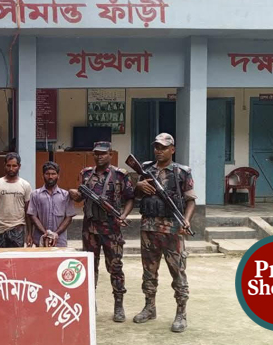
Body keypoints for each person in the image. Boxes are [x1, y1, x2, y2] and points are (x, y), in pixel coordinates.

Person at [132, 133, 195, 333]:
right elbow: (134, 195)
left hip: (172, 228)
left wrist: (186, 220)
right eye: (157, 147)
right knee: (149, 271)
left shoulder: (182, 172)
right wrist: (138, 185)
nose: (159, 151)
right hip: (149, 227)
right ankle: (149, 308)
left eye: (164, 148)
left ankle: (181, 313)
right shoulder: (146, 169)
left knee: (177, 271)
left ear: (172, 150)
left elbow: (190, 200)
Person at [69, 141, 134, 323]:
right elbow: (81, 197)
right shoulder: (86, 174)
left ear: (110, 154)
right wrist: (75, 194)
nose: (99, 157)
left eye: (103, 153)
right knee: (90, 267)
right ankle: (90, 302)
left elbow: (130, 198)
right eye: (96, 153)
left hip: (112, 228)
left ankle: (118, 305)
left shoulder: (120, 175)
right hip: (90, 229)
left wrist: (123, 215)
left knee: (115, 267)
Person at [0, 152, 32, 248]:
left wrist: (29, 233)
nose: (11, 169)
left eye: (14, 166)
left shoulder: (25, 185)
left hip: (18, 230)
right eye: (8, 165)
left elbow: (28, 211)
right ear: (4, 165)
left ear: (19, 166)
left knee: (16, 257)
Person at [27, 161, 76, 247]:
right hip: (41, 239)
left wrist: (55, 234)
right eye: (47, 174)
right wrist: (46, 234)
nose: (50, 177)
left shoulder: (65, 195)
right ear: (43, 175)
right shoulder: (35, 194)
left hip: (59, 240)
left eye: (53, 174)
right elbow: (33, 216)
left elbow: (68, 217)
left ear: (58, 176)